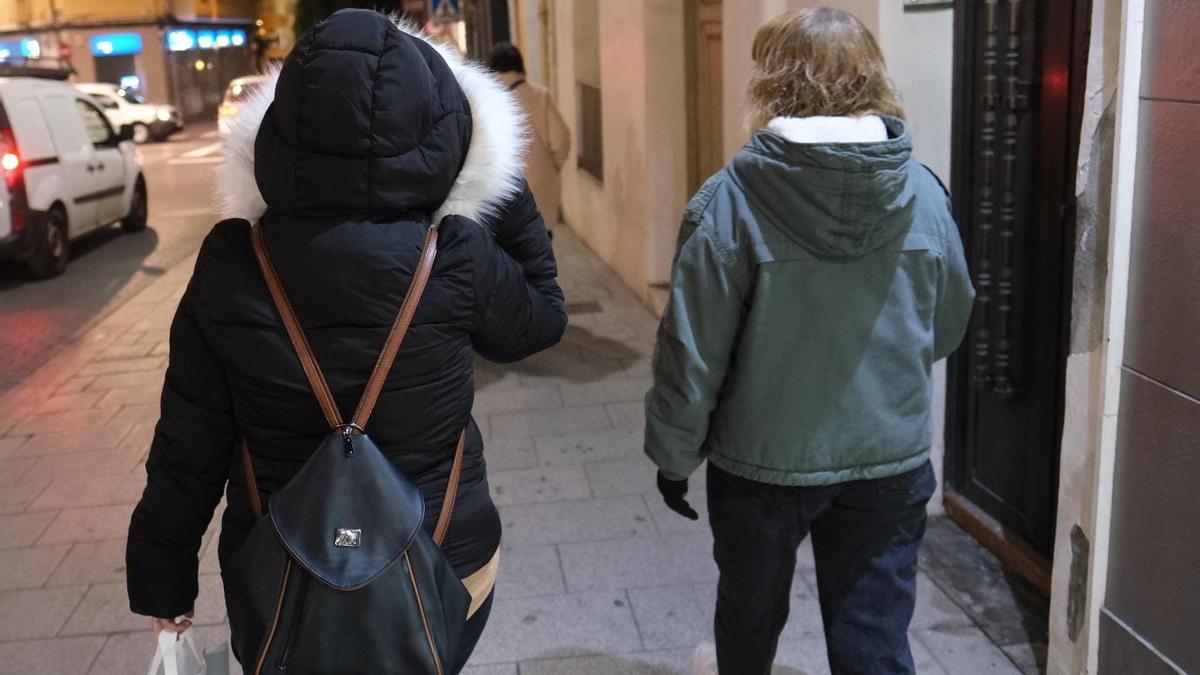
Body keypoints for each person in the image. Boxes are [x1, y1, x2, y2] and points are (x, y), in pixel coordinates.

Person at [125, 10, 566, 672]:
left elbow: (189, 441)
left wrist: (164, 579)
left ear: (279, 130)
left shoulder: (232, 262)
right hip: (445, 559)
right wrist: (497, 178)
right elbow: (543, 317)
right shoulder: (457, 256)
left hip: (283, 579)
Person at [643, 8, 975, 675]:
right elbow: (947, 325)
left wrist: (674, 454)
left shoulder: (730, 202)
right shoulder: (924, 194)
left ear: (773, 84)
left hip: (762, 461)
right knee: (874, 634)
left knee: (749, 614)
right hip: (889, 457)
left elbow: (692, 354)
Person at [486, 43, 571, 235]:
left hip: (501, 199)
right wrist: (551, 167)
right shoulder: (541, 96)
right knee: (540, 256)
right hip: (539, 197)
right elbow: (561, 141)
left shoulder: (487, 102)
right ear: (520, 67)